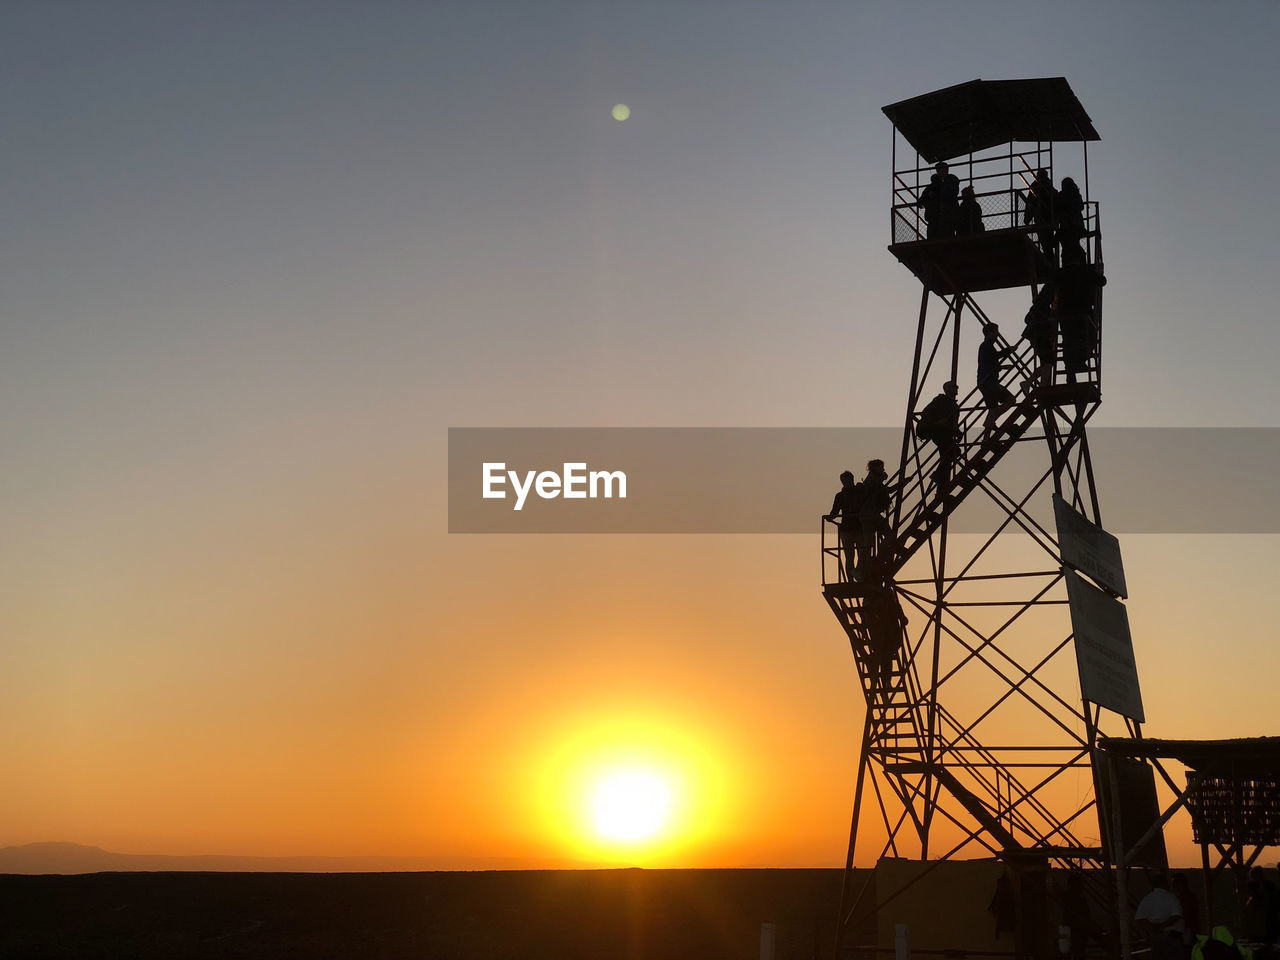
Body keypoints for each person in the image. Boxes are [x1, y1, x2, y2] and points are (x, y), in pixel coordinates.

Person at [1056, 260, 1107, 381]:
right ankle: (1080, 362)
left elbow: (1054, 291)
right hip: (1082, 313)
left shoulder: (1062, 274)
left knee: (1068, 342)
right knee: (1090, 338)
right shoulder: (1084, 271)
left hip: (1065, 315)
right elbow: (1102, 281)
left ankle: (1071, 372)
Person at [916, 381, 961, 492]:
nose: (956, 389)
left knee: (949, 454)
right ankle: (939, 478)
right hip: (938, 432)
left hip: (945, 433)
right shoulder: (940, 401)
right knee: (950, 452)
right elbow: (925, 413)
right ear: (946, 389)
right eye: (953, 387)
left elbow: (953, 423)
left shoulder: (954, 405)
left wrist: (958, 432)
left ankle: (940, 483)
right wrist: (937, 422)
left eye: (956, 387)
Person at [1135, 870, 1188, 960]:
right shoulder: (1171, 897)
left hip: (1155, 938)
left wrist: (1151, 927)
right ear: (1163, 883)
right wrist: (1162, 926)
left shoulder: (1147, 899)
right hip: (1171, 937)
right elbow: (1176, 915)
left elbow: (1140, 918)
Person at [824, 470, 865, 582]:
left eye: (846, 480)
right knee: (850, 556)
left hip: (858, 528)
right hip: (849, 529)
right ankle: (852, 579)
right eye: (843, 481)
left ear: (852, 479)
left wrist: (831, 517)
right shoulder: (841, 496)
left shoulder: (860, 492)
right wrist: (830, 517)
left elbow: (835, 512)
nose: (845, 482)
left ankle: (857, 574)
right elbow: (835, 511)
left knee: (862, 554)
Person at [977, 323, 1016, 436]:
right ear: (989, 333)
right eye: (995, 331)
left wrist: (1002, 367)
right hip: (989, 382)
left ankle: (987, 434)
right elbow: (994, 357)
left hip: (987, 382)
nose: (997, 334)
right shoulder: (986, 345)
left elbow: (989, 362)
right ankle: (990, 424)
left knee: (995, 408)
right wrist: (1009, 350)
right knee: (1008, 401)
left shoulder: (986, 346)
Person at [856, 459, 893, 577]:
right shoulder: (872, 479)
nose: (883, 469)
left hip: (871, 514)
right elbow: (883, 488)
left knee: (871, 543)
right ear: (874, 468)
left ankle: (867, 565)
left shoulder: (875, 479)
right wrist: (901, 483)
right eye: (881, 467)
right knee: (869, 543)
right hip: (868, 515)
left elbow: (884, 489)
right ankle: (862, 568)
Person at [918, 161, 960, 239]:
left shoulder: (950, 180)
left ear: (946, 170)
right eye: (938, 170)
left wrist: (932, 197)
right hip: (937, 217)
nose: (940, 172)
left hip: (946, 217)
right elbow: (920, 202)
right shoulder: (933, 186)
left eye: (941, 170)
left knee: (945, 238)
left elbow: (950, 193)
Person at [1024, 168, 1058, 259]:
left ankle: (1049, 259)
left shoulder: (1036, 186)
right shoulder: (1050, 187)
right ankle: (1051, 260)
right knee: (1048, 242)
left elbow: (1030, 202)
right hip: (1050, 218)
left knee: (1044, 242)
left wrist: (1027, 218)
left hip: (1041, 218)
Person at [1057, 177, 1086, 261]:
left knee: (1068, 246)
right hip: (1077, 225)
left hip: (1067, 225)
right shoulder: (1075, 194)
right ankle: (1079, 260)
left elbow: (1057, 208)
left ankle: (1070, 261)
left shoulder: (1061, 195)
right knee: (1074, 244)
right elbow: (1081, 206)